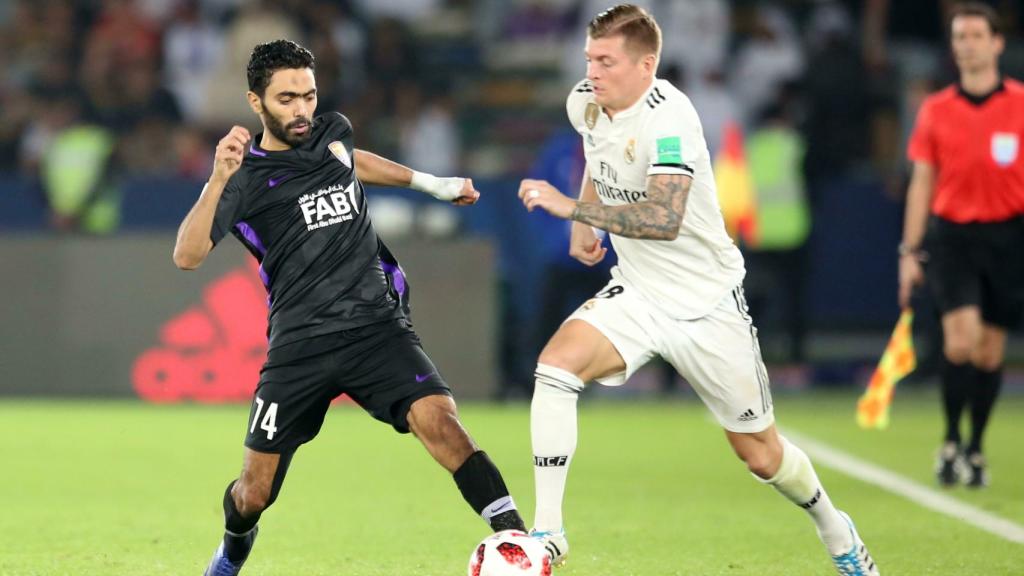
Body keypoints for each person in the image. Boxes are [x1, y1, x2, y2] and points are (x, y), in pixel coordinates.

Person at [517, 5, 878, 575]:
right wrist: (584, 223)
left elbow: (663, 217)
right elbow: (595, 145)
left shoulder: (672, 119)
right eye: (590, 57)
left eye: (606, 61)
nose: (593, 71)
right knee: (555, 368)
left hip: (706, 303)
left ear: (647, 65)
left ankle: (836, 527)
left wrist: (573, 208)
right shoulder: (585, 99)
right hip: (636, 291)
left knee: (761, 455)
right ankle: (549, 532)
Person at [173, 40, 526, 576]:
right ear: (256, 101)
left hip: (376, 329)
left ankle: (517, 542)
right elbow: (187, 255)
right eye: (287, 98)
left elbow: (351, 161)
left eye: (308, 96)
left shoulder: (332, 133)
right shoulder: (245, 180)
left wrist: (433, 184)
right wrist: (219, 176)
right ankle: (230, 552)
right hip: (300, 346)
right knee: (254, 492)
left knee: (443, 422)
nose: (301, 110)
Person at [899, 2, 1024, 489]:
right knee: (961, 341)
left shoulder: (1019, 104)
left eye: (975, 35)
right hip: (953, 237)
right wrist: (910, 252)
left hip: (1010, 239)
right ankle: (950, 440)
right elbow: (921, 184)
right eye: (959, 37)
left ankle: (975, 447)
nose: (967, 44)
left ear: (996, 43)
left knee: (991, 354)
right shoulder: (936, 110)